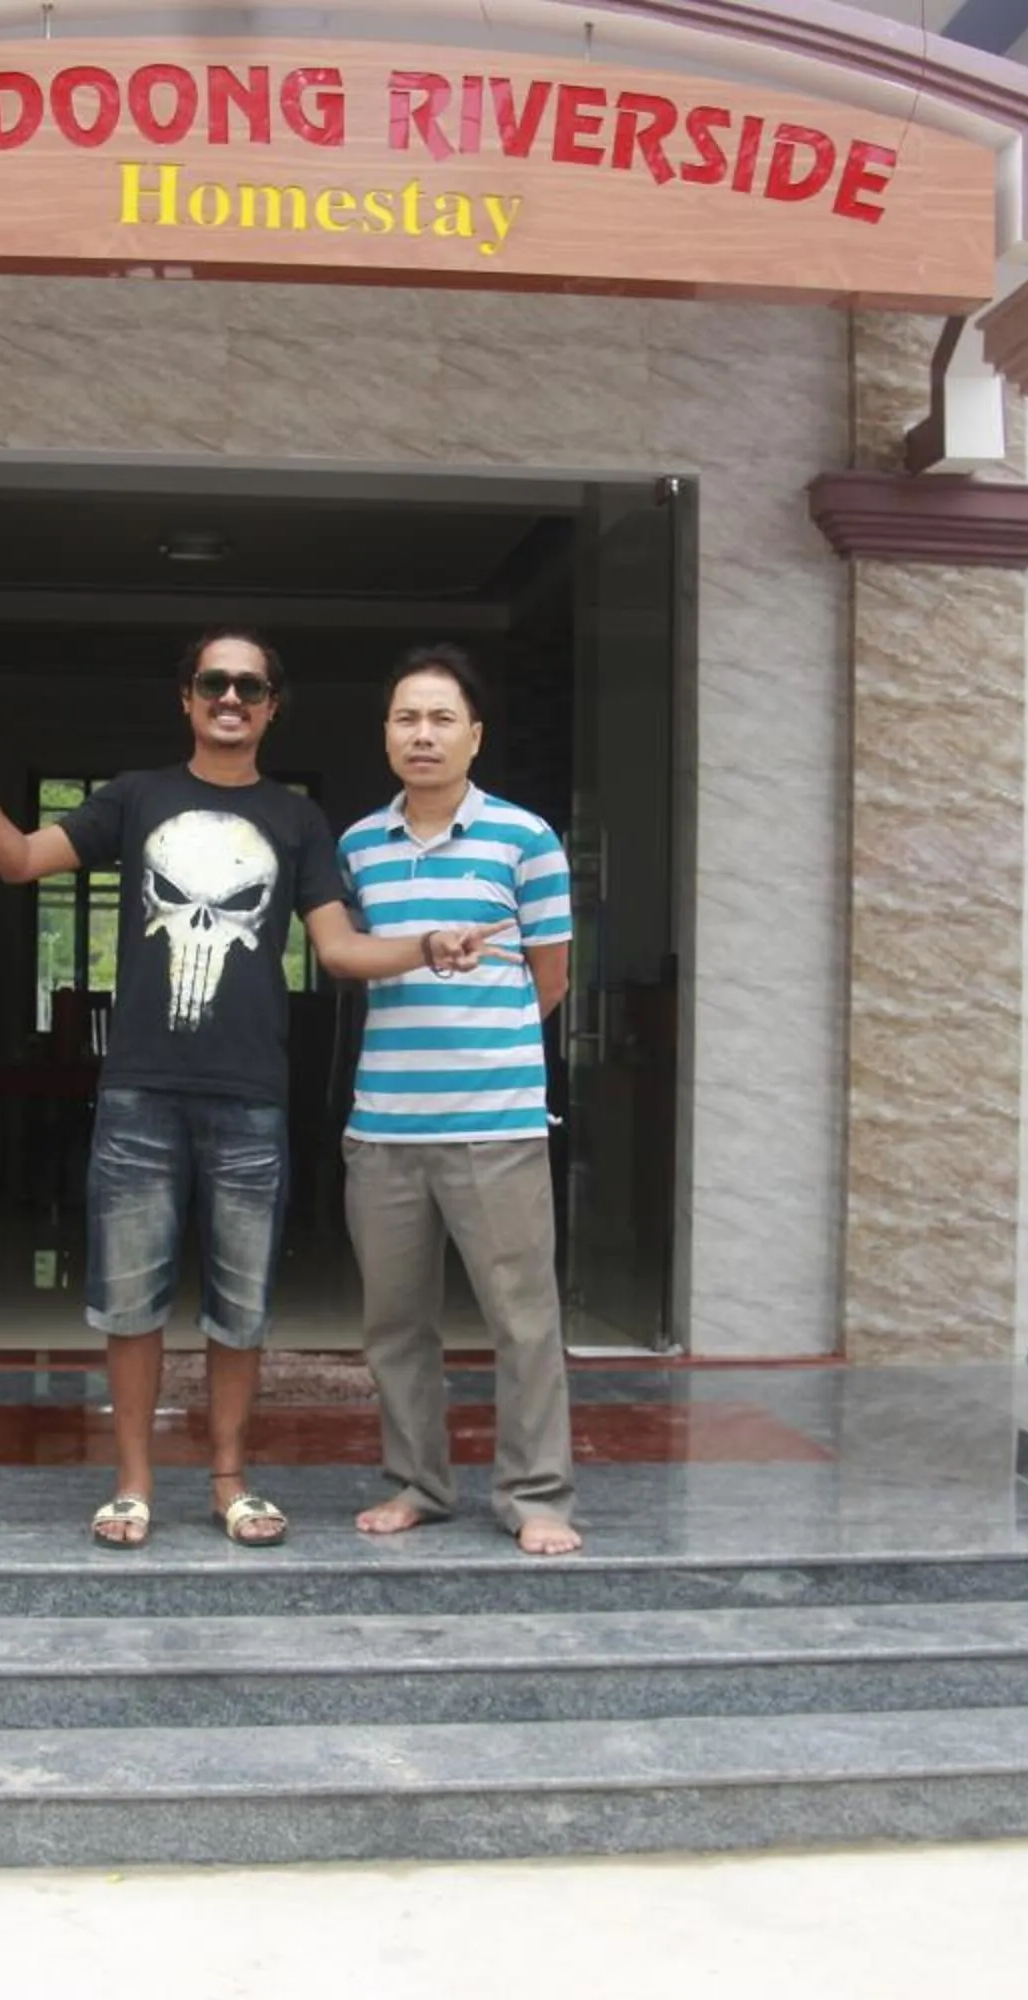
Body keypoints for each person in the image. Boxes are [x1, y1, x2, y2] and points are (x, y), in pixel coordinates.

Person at [0, 632, 505, 1550]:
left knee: (240, 1305)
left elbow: (338, 949)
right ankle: (134, 1482)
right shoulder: (136, 798)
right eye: (214, 682)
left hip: (251, 1098)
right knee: (131, 1301)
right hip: (141, 1093)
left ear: (271, 706)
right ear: (187, 697)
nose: (231, 697)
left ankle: (230, 1479)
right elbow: (19, 861)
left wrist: (427, 945)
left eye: (250, 686)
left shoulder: (297, 821)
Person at [337, 643, 583, 1556]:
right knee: (396, 1324)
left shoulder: (526, 840)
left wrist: (484, 1049)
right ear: (387, 734)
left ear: (475, 737)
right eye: (408, 717)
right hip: (384, 1128)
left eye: (443, 718)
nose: (424, 734)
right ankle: (416, 1484)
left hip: (497, 1125)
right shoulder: (359, 845)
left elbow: (547, 981)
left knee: (523, 1320)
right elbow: (358, 956)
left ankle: (536, 1496)